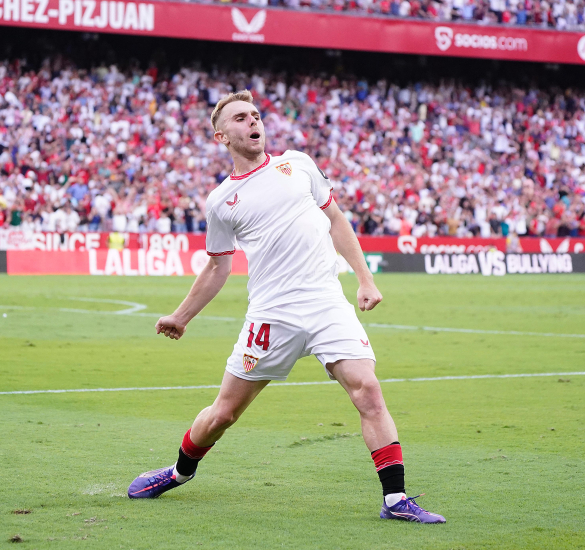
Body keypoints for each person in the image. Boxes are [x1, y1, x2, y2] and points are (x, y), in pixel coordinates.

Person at [127, 91, 445, 524]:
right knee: (224, 413)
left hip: (326, 301)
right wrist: (181, 316)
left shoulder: (297, 164)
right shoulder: (221, 201)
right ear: (222, 136)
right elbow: (218, 268)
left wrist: (365, 278)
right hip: (271, 314)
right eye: (241, 118)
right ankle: (179, 471)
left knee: (367, 389)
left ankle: (395, 499)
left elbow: (336, 220)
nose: (253, 122)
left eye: (255, 115)